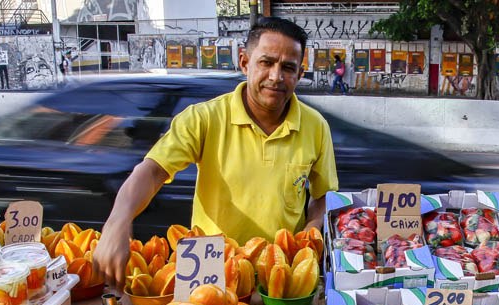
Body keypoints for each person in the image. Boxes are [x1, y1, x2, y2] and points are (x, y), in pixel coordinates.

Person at [93, 17, 339, 289]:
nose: (276, 76)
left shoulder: (316, 126)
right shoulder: (204, 118)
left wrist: (313, 227)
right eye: (266, 62)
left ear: (300, 74)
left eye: (288, 68)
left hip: (280, 276)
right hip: (209, 272)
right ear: (245, 62)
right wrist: (118, 221)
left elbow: (323, 196)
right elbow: (152, 170)